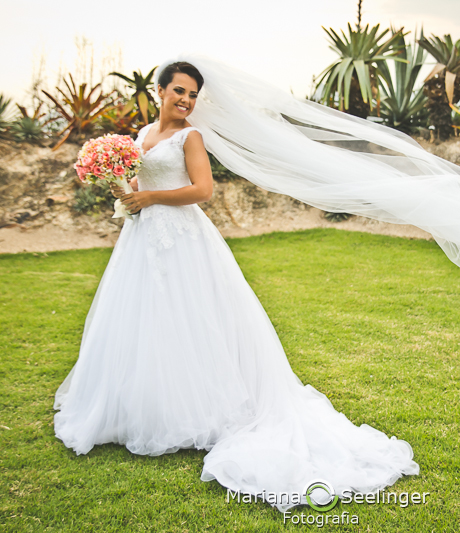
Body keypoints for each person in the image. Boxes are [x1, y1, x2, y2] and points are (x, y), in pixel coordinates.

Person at [52, 61, 419, 513]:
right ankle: (139, 409)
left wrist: (150, 197)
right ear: (160, 90)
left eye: (193, 96)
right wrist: (122, 186)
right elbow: (138, 180)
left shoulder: (192, 137)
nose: (185, 101)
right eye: (179, 91)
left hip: (183, 238)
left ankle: (200, 410)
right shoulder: (141, 135)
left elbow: (202, 190)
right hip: (142, 238)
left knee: (192, 318)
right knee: (145, 318)